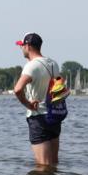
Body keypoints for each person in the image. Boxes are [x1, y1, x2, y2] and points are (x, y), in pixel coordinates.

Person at [13, 32, 63, 167]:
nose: (21, 48)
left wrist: (28, 105)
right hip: (54, 116)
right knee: (53, 163)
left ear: (28, 46)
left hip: (39, 118)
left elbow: (17, 89)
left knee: (43, 166)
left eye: (22, 46)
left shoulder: (31, 66)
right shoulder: (53, 63)